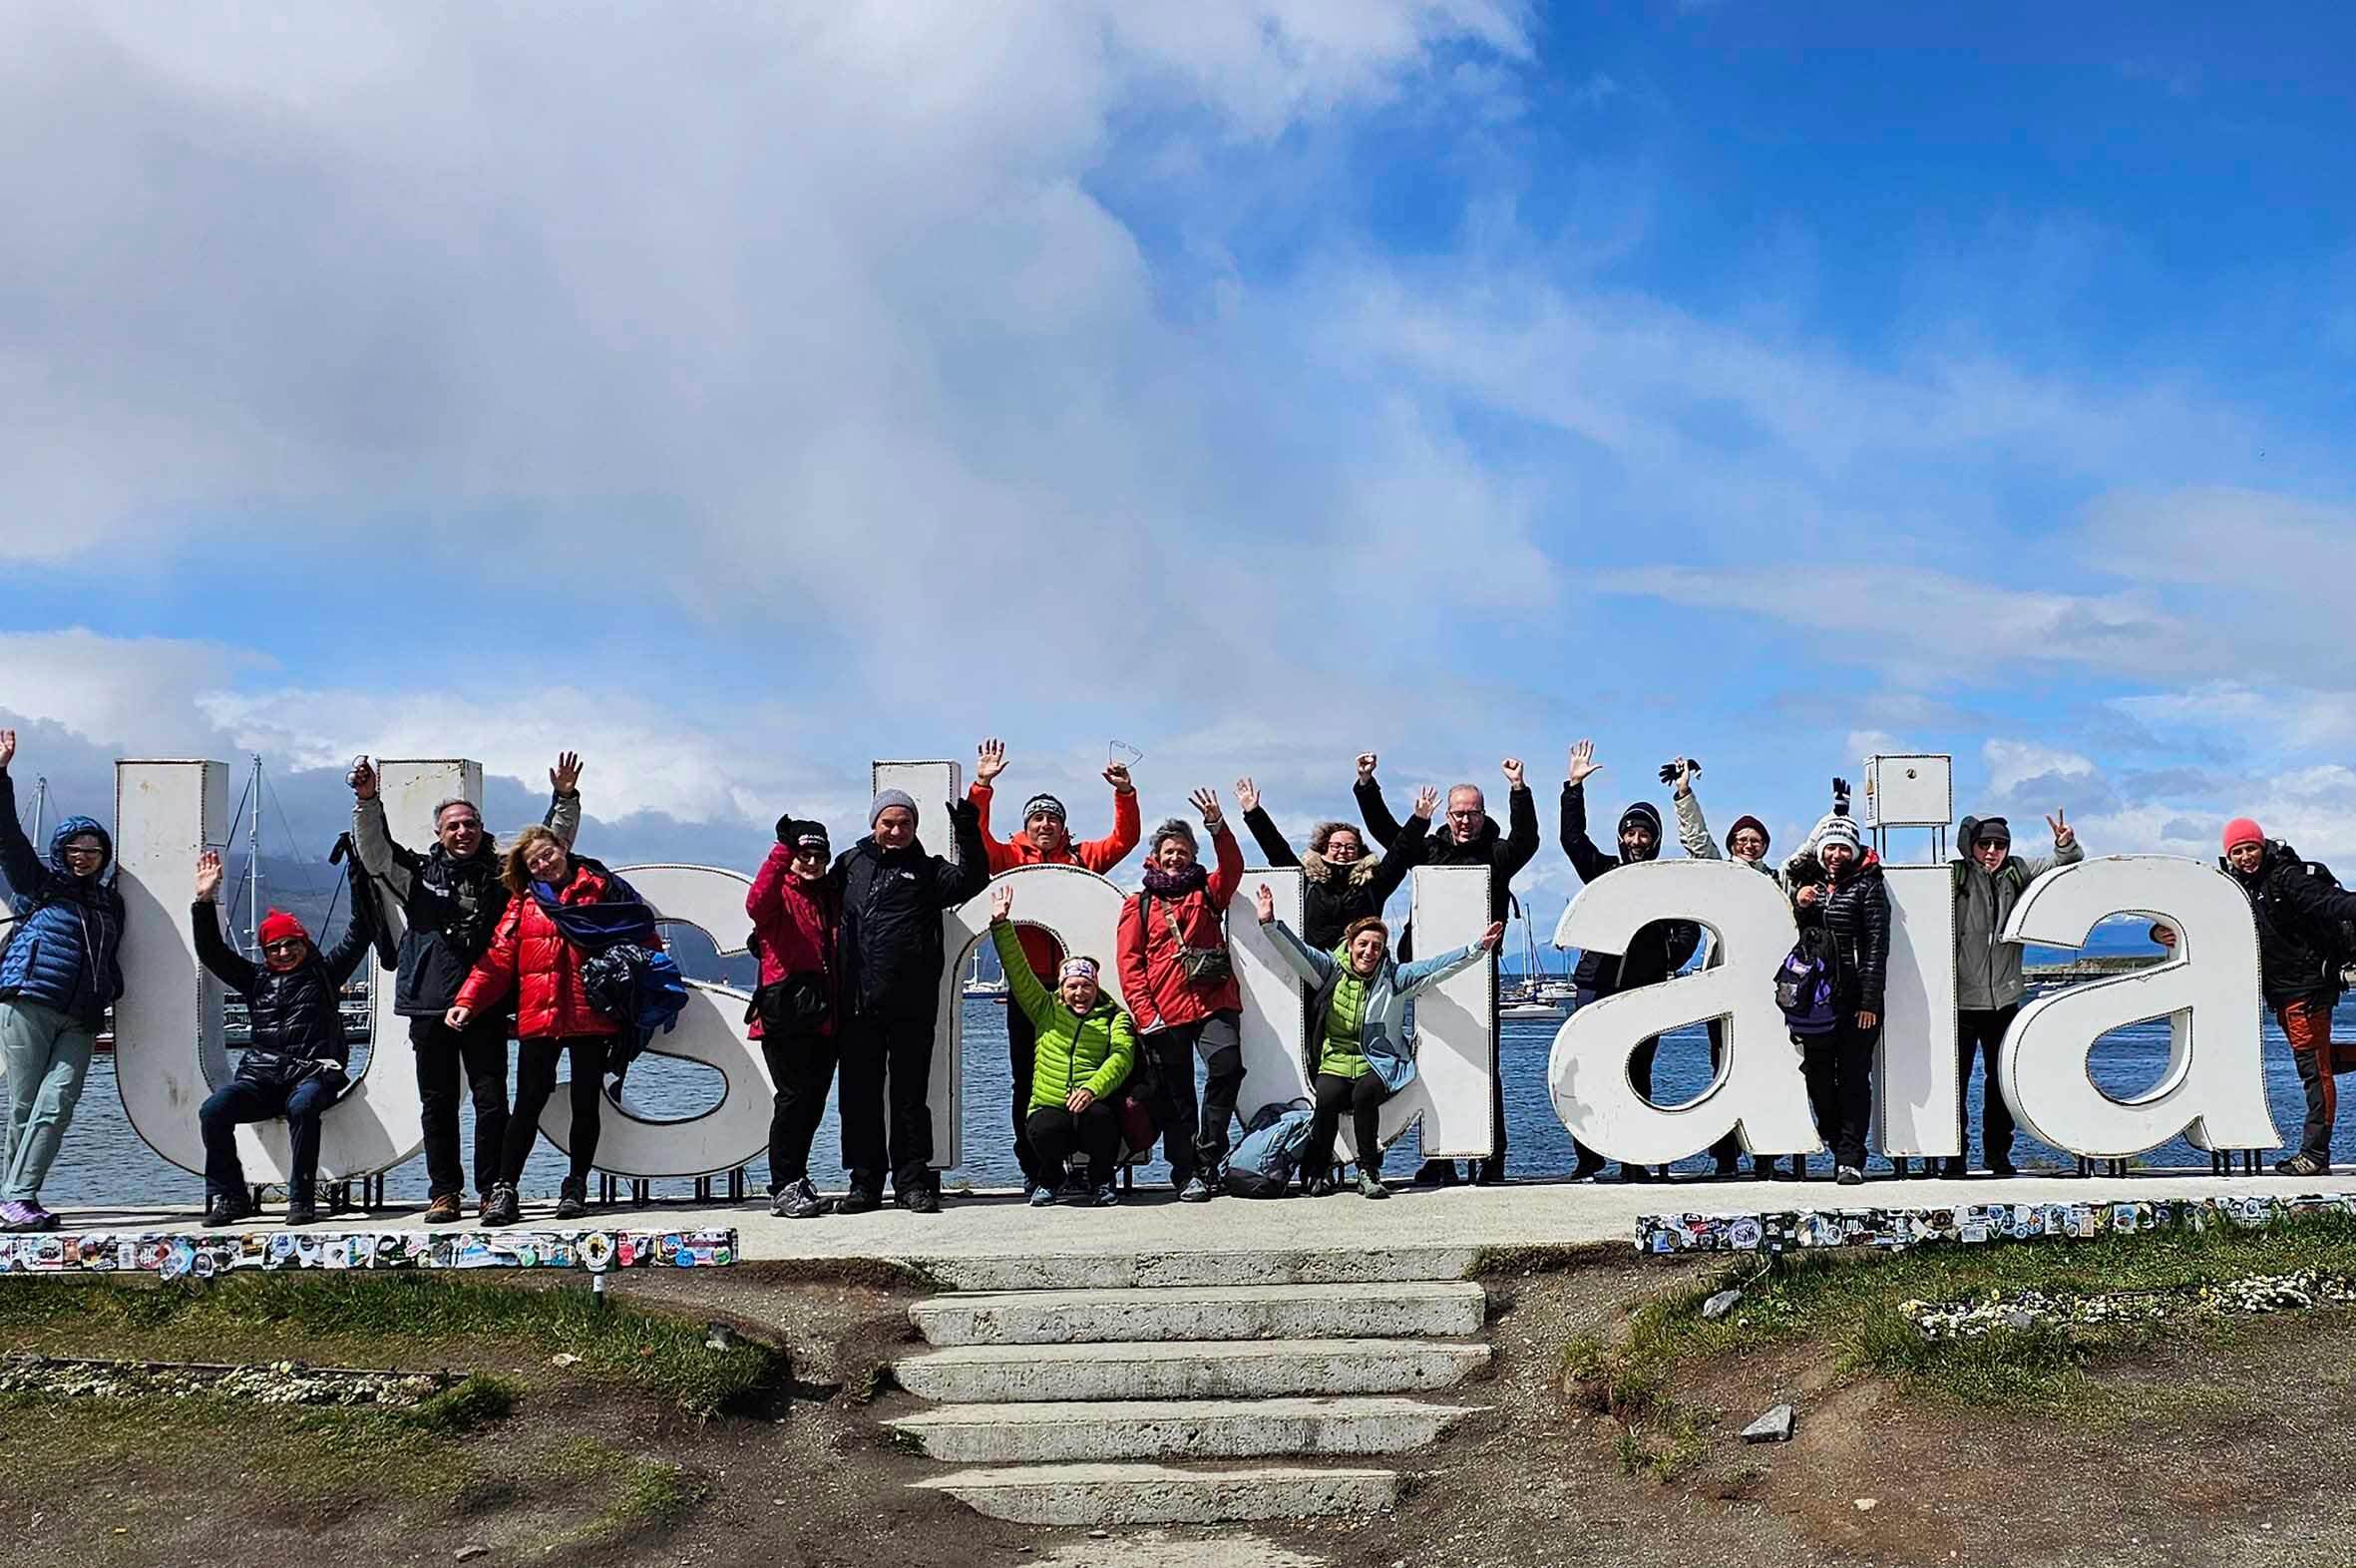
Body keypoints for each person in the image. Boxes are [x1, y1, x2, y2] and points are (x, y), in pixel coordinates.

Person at [351, 751, 583, 1224]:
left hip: (486, 1007)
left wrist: (564, 797)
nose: (462, 832)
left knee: (491, 1102)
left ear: (480, 829)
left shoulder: (503, 874)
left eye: (469, 824)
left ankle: (490, 1191)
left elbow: (550, 845)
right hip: (429, 1004)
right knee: (436, 1105)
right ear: (439, 833)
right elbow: (374, 852)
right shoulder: (413, 874)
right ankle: (444, 1193)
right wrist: (368, 801)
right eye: (453, 826)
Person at [447, 823, 658, 1225]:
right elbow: (498, 957)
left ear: (563, 847)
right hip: (540, 1016)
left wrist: (651, 985)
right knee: (527, 1104)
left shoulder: (601, 889)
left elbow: (640, 934)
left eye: (548, 854)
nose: (544, 865)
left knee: (585, 1103)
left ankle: (575, 1186)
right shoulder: (523, 903)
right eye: (534, 862)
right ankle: (505, 1190)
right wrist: (467, 1001)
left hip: (592, 1014)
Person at [1356, 752, 1538, 1185]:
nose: (1464, 821)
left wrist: (1519, 789)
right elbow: (1388, 834)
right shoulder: (1429, 848)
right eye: (1458, 813)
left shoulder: (1499, 853)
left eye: (1472, 813)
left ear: (1482, 815)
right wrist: (1367, 784)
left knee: (1483, 1065)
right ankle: (1441, 1158)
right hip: (1427, 973)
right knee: (1432, 1062)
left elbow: (1528, 839)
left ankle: (1492, 1156)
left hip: (1478, 974)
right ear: (1448, 815)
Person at [970, 738, 1140, 1198]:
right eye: (1037, 818)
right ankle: (1038, 1168)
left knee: (1090, 1074)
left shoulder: (1081, 858)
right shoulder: (1008, 858)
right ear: (1026, 825)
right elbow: (976, 838)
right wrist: (982, 784)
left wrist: (1124, 793)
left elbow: (1124, 840)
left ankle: (1089, 1166)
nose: (1045, 824)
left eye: (1053, 818)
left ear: (1063, 827)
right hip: (1030, 991)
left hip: (1076, 986)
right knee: (1025, 1081)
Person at [1254, 883, 1503, 1198]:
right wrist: (1270, 924)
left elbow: (1437, 968)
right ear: (1350, 944)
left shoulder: (1394, 979)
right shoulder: (1330, 970)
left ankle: (1368, 1172)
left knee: (1365, 1095)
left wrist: (1477, 949)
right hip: (1336, 1058)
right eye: (1363, 944)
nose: (1369, 951)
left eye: (1376, 946)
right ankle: (1316, 1170)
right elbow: (1296, 951)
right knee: (1327, 1098)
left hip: (1380, 1061)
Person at [191, 851, 371, 1226]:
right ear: (265, 952)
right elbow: (211, 951)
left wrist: (359, 872)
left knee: (303, 1107)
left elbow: (360, 930)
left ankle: (301, 1198)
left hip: (313, 1075)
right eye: (274, 948)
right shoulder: (255, 980)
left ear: (305, 944)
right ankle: (231, 1196)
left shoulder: (325, 974)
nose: (284, 952)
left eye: (291, 944)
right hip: (261, 1078)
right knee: (213, 1110)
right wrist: (204, 900)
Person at [830, 789, 989, 1215]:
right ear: (874, 824)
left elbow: (975, 880)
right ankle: (864, 1184)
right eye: (889, 822)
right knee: (858, 1100)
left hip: (912, 1006)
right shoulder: (847, 865)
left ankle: (912, 1184)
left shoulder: (929, 871)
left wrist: (968, 830)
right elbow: (816, 907)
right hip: (857, 1004)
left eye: (905, 823)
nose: (897, 830)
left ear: (916, 828)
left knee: (910, 1099)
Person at [0, 730, 125, 1234]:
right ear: (60, 850)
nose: (83, 854)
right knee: (26, 1106)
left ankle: (15, 1195)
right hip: (29, 1000)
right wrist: (1, 773)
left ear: (105, 854)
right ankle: (15, 1200)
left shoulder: (111, 903)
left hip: (82, 1016)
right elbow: (6, 836)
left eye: (93, 848)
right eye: (74, 846)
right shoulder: (38, 884)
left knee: (58, 1101)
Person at [1560, 741, 1702, 1182]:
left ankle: (1632, 1158)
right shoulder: (1603, 871)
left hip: (1644, 988)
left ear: (1655, 840)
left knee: (1638, 1072)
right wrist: (1574, 788)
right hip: (1596, 984)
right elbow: (1571, 839)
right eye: (1630, 833)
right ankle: (1589, 1157)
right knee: (1587, 1073)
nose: (1636, 841)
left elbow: (1690, 927)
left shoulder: (1667, 883)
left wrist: (1668, 956)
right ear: (1621, 837)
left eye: (1644, 834)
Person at [2193, 818, 2356, 1177]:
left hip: (2306, 989)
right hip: (2282, 993)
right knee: (2319, 1059)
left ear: (2262, 845)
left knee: (2314, 1071)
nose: (2245, 856)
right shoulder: (2239, 888)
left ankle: (2314, 1155)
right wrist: (2164, 932)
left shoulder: (2285, 878)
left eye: (2250, 847)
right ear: (2228, 856)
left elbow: (2331, 903)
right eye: (2237, 851)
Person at [1116, 789, 1247, 1202]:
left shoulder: (1209, 892)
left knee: (1226, 1067)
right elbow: (1130, 963)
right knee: (1177, 1096)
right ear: (1156, 855)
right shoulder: (1139, 905)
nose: (1176, 858)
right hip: (1164, 1011)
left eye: (1184, 851)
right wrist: (1144, 1013)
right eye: (1169, 851)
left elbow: (1233, 867)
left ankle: (1208, 1151)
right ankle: (1186, 1172)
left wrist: (1218, 827)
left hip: (1213, 1000)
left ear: (1193, 854)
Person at [1947, 809, 2084, 1178]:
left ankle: (1997, 1155)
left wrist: (2064, 842)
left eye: (2000, 845)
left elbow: (2066, 863)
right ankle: (1954, 1155)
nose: (1992, 851)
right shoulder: (1953, 876)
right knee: (1953, 1085)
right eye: (1985, 844)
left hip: (2005, 999)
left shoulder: (2018, 871)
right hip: (1959, 1001)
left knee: (2001, 1081)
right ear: (1970, 846)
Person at [988, 882, 1136, 1207]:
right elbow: (1019, 973)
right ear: (1062, 988)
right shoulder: (1045, 1011)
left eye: (1086, 986)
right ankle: (1050, 1179)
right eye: (1073, 986)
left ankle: (1101, 1179)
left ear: (1096, 988)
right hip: (1051, 1105)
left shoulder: (1115, 1018)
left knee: (1101, 1119)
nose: (1080, 993)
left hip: (1093, 1102)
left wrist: (1092, 1090)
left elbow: (1122, 1057)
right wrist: (1001, 926)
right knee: (1041, 1128)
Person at [1668, 755, 1775, 1178]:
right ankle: (1727, 1157)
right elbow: (1697, 841)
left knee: (1766, 1069)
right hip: (1723, 985)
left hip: (1766, 991)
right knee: (1722, 1071)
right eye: (1743, 839)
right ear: (1732, 844)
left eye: (1756, 840)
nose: (1749, 845)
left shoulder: (1777, 879)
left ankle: (1767, 1152)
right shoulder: (1721, 873)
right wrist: (1684, 793)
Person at [1783, 814, 1890, 1185]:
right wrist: (1800, 903)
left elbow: (1878, 947)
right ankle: (1833, 1136)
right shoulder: (1806, 882)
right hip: (1815, 1001)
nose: (1837, 854)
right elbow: (1803, 932)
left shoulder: (1869, 886)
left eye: (1845, 847)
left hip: (1856, 1000)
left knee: (1855, 1079)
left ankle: (1850, 1158)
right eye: (1831, 847)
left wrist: (1870, 1002)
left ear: (1855, 851)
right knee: (1818, 1078)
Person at [746, 817, 842, 1219]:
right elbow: (754, 901)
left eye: (821, 855)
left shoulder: (828, 897)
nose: (813, 862)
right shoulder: (777, 897)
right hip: (783, 1016)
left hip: (823, 1017)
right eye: (805, 855)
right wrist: (782, 850)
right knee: (792, 1101)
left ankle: (797, 1179)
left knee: (812, 1104)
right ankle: (782, 1186)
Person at [1236, 777, 1426, 951]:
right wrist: (1253, 813)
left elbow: (1399, 853)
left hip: (1362, 971)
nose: (1343, 851)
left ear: (1360, 852)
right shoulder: (1307, 881)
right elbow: (1277, 850)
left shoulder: (1374, 884)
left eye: (1350, 847)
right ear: (1323, 848)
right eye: (1336, 845)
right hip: (1317, 972)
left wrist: (1419, 820)